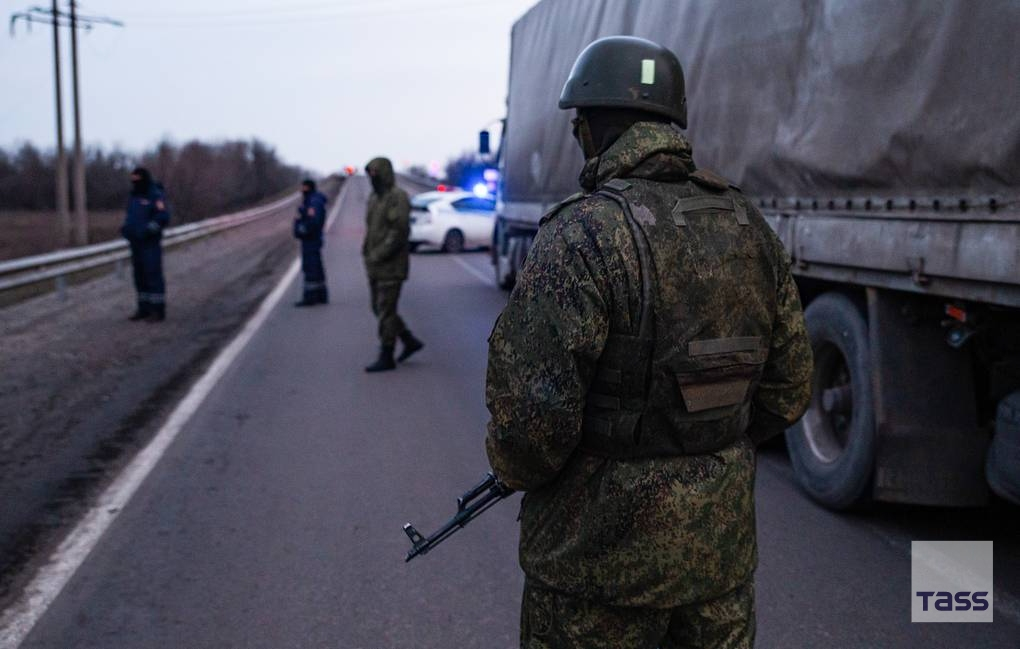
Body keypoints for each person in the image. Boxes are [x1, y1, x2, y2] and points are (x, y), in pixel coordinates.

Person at [484, 36, 813, 649]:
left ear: (590, 130)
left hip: (596, 575)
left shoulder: (581, 234)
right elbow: (789, 389)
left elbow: (531, 430)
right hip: (717, 564)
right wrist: (702, 446)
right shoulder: (749, 227)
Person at [362, 157, 424, 372]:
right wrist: (367, 252)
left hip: (391, 265)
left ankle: (386, 353)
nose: (372, 177)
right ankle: (408, 340)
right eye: (370, 173)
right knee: (378, 308)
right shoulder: (374, 198)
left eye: (375, 173)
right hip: (374, 264)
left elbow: (399, 232)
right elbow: (371, 229)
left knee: (386, 310)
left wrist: (379, 253)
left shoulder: (397, 197)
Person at [121, 167, 170, 322]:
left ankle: (157, 310)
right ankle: (143, 308)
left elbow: (163, 217)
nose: (135, 182)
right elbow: (131, 216)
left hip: (150, 243)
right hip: (135, 243)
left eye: (137, 179)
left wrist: (150, 230)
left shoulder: (155, 194)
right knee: (139, 276)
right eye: (133, 179)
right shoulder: (134, 196)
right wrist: (126, 229)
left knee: (153, 275)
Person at [293, 179, 330, 306]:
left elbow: (313, 221)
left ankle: (310, 297)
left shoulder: (313, 202)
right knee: (316, 267)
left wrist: (301, 229)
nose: (301, 189)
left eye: (303, 187)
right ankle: (320, 295)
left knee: (311, 267)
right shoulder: (311, 200)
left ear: (307, 187)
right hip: (312, 239)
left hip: (311, 239)